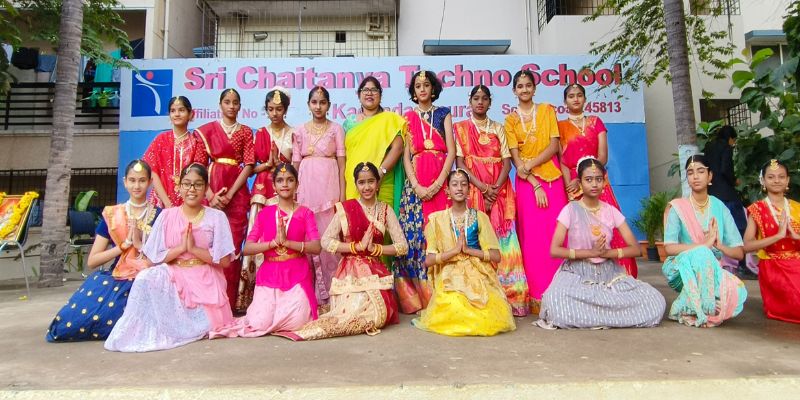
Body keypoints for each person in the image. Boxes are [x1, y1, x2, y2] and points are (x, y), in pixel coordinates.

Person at [104, 164, 236, 352]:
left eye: (198, 184)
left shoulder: (217, 217)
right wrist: (181, 248)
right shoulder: (167, 216)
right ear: (179, 187)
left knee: (205, 324)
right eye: (187, 184)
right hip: (174, 274)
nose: (192, 189)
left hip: (205, 281)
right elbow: (152, 259)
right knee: (145, 277)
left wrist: (194, 249)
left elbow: (225, 261)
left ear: (206, 188)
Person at [279, 162, 409, 340]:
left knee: (377, 314)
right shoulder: (345, 208)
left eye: (371, 181)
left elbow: (402, 246)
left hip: (375, 273)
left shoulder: (386, 210)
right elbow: (326, 241)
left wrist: (376, 249)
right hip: (349, 273)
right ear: (355, 185)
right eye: (361, 182)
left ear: (377, 183)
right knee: (352, 309)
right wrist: (355, 247)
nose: (367, 187)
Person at [537, 157, 665, 329]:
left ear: (604, 181)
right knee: (555, 300)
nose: (594, 184)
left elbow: (635, 249)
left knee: (655, 301)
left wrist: (607, 253)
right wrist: (590, 253)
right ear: (580, 183)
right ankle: (613, 316)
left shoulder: (611, 211)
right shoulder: (570, 210)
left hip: (609, 274)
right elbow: (555, 250)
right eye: (588, 180)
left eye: (598, 179)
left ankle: (593, 316)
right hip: (577, 272)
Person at [46, 160, 160, 342]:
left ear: (150, 182)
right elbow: (93, 261)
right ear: (124, 182)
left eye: (142, 180)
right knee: (74, 322)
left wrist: (139, 245)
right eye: (132, 180)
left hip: (150, 277)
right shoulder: (112, 215)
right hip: (118, 278)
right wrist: (122, 247)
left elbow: (164, 256)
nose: (137, 186)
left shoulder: (161, 216)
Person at [209, 164, 321, 338]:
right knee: (259, 322)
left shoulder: (305, 213)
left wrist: (289, 243)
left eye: (290, 180)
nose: (285, 184)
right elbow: (247, 248)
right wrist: (273, 243)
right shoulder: (265, 214)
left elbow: (316, 247)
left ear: (297, 185)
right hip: (270, 274)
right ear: (274, 186)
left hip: (297, 274)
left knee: (298, 321)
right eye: (280, 181)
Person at [454, 85, 529, 316]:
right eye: (476, 98)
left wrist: (494, 189)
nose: (480, 102)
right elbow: (460, 163)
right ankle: (479, 293)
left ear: (490, 102)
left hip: (500, 191)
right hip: (473, 189)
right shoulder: (461, 128)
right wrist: (481, 187)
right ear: (470, 101)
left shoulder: (498, 128)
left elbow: (507, 162)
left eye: (484, 99)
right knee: (477, 238)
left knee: (504, 240)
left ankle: (510, 295)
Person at [413, 169, 515, 336]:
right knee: (454, 303)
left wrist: (469, 251)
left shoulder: (480, 217)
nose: (459, 188)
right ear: (447, 191)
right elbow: (429, 260)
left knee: (485, 308)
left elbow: (496, 255)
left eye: (463, 184)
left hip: (477, 271)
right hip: (450, 272)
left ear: (469, 190)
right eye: (454, 184)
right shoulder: (437, 219)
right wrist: (454, 251)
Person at [557, 83, 638, 277]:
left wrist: (587, 177)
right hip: (573, 185)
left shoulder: (596, 122)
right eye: (571, 96)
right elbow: (562, 161)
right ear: (565, 101)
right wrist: (570, 185)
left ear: (585, 99)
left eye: (579, 95)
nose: (575, 99)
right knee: (579, 231)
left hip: (597, 181)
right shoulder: (560, 127)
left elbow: (602, 156)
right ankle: (584, 274)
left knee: (610, 227)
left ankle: (619, 274)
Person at [393, 70, 456, 314]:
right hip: (416, 185)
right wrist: (417, 186)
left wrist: (440, 183)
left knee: (441, 235)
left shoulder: (443, 114)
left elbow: (451, 151)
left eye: (426, 85)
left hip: (440, 180)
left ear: (433, 89)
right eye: (417, 86)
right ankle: (416, 300)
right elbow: (406, 156)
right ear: (413, 91)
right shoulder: (407, 118)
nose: (422, 89)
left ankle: (445, 296)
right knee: (414, 236)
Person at [505, 70, 567, 315]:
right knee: (532, 238)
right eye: (520, 86)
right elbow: (515, 157)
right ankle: (536, 295)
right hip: (527, 184)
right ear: (514, 91)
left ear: (534, 88)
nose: (524, 90)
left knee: (556, 233)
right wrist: (534, 182)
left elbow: (553, 146)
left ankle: (562, 291)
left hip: (552, 178)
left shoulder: (547, 111)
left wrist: (530, 165)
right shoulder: (510, 120)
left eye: (528, 85)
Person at [662, 154, 747, 328]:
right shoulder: (678, 207)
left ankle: (688, 304)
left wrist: (718, 245)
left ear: (710, 176)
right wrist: (704, 246)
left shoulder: (720, 207)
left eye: (700, 171)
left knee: (739, 292)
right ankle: (701, 309)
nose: (695, 176)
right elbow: (669, 248)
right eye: (690, 172)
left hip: (712, 270)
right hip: (681, 267)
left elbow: (739, 253)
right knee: (702, 254)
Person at [195, 88, 255, 311]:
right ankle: (207, 302)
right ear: (220, 105)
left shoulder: (246, 131)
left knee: (233, 245)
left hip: (237, 192)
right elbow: (199, 165)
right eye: (227, 102)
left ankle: (229, 302)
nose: (231, 106)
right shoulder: (207, 131)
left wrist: (230, 194)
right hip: (211, 185)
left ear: (240, 106)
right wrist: (210, 195)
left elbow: (249, 165)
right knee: (209, 244)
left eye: (235, 102)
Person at [239, 87, 294, 311]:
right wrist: (268, 165)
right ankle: (253, 295)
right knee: (259, 236)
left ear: (286, 109)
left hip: (285, 190)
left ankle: (284, 291)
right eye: (270, 109)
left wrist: (280, 165)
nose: (274, 113)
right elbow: (251, 168)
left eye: (279, 109)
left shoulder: (293, 133)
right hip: (262, 191)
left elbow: (295, 166)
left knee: (284, 236)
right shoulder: (260, 133)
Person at [293, 86, 346, 308]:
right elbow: (295, 165)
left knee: (329, 241)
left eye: (322, 102)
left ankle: (331, 295)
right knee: (307, 239)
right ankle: (307, 297)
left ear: (329, 105)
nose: (318, 106)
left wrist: (342, 196)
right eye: (314, 102)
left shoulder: (336, 129)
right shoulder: (299, 130)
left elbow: (342, 165)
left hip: (329, 190)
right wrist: (293, 195)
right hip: (306, 190)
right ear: (308, 104)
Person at [743, 159, 800, 323]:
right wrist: (777, 236)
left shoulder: (797, 208)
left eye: (781, 177)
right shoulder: (757, 209)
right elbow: (747, 246)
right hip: (774, 267)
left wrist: (796, 237)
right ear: (763, 180)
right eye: (771, 177)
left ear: (788, 180)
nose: (776, 181)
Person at [342, 77, 406, 213]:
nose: (369, 93)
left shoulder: (389, 119)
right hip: (354, 182)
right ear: (359, 95)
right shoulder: (349, 123)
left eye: (374, 90)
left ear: (380, 95)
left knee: (383, 221)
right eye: (365, 90)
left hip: (382, 182)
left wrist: (380, 173)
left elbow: (398, 148)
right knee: (356, 221)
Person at [704, 125, 754, 279]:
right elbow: (726, 169)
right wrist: (734, 181)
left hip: (711, 193)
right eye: (733, 140)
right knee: (740, 227)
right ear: (730, 138)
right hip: (727, 194)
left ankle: (717, 265)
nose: (733, 143)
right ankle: (743, 265)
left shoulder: (709, 147)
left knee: (714, 230)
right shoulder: (726, 148)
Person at [142, 96, 208, 208]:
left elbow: (199, 174)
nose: (177, 114)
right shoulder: (161, 140)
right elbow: (153, 172)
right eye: (173, 111)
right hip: (161, 200)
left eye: (181, 110)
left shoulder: (196, 142)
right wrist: (166, 202)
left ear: (191, 114)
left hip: (189, 200)